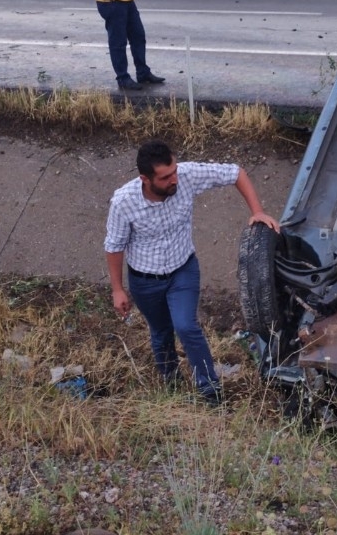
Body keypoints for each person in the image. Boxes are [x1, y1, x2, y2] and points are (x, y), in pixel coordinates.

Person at [104, 139, 280, 405]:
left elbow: (235, 173)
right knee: (160, 332)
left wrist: (257, 212)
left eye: (174, 171)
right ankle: (171, 380)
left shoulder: (186, 175)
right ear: (145, 179)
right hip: (144, 281)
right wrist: (118, 289)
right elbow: (114, 246)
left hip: (182, 271)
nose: (174, 179)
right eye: (165, 177)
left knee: (186, 326)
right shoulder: (123, 202)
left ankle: (210, 391)